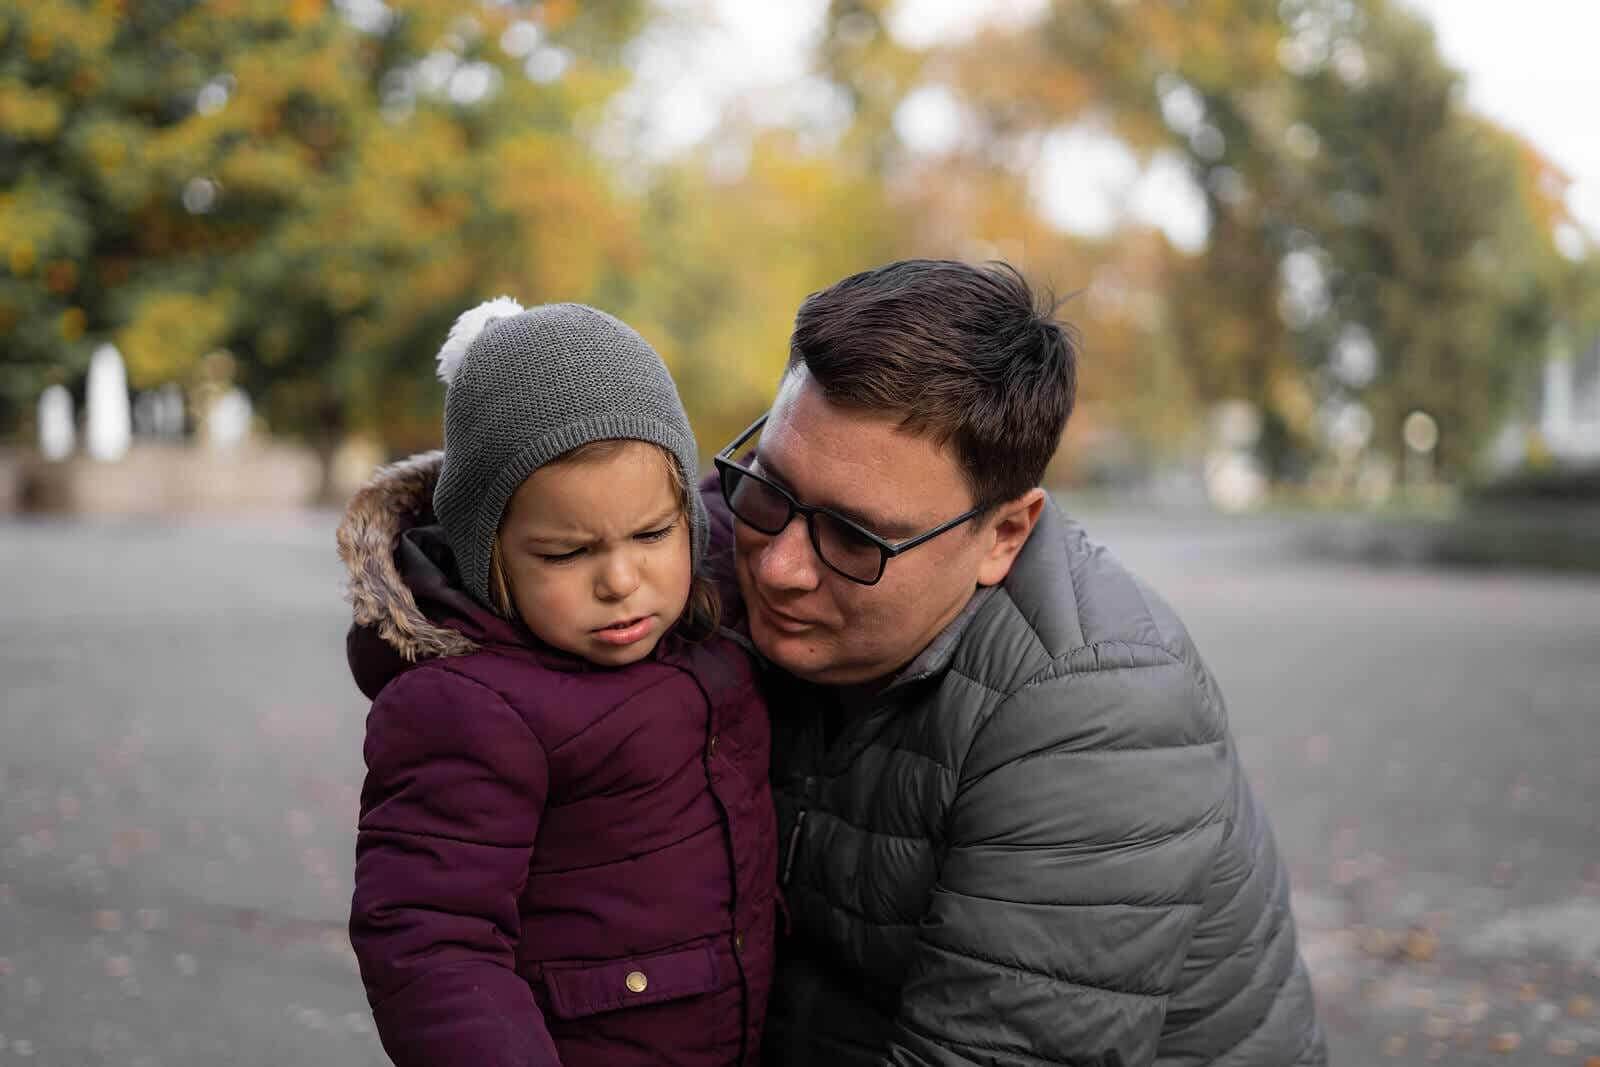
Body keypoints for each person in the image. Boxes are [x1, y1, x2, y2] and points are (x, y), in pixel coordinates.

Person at [703, 260, 1326, 1066]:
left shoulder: (1101, 718)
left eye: (855, 538)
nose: (780, 565)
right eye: (770, 486)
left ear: (1003, 536)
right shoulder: (714, 548)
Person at [336, 300, 778, 1067]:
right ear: (490, 554)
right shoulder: (467, 707)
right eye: (567, 553)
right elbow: (433, 941)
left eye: (650, 534)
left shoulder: (701, 609)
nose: (621, 580)